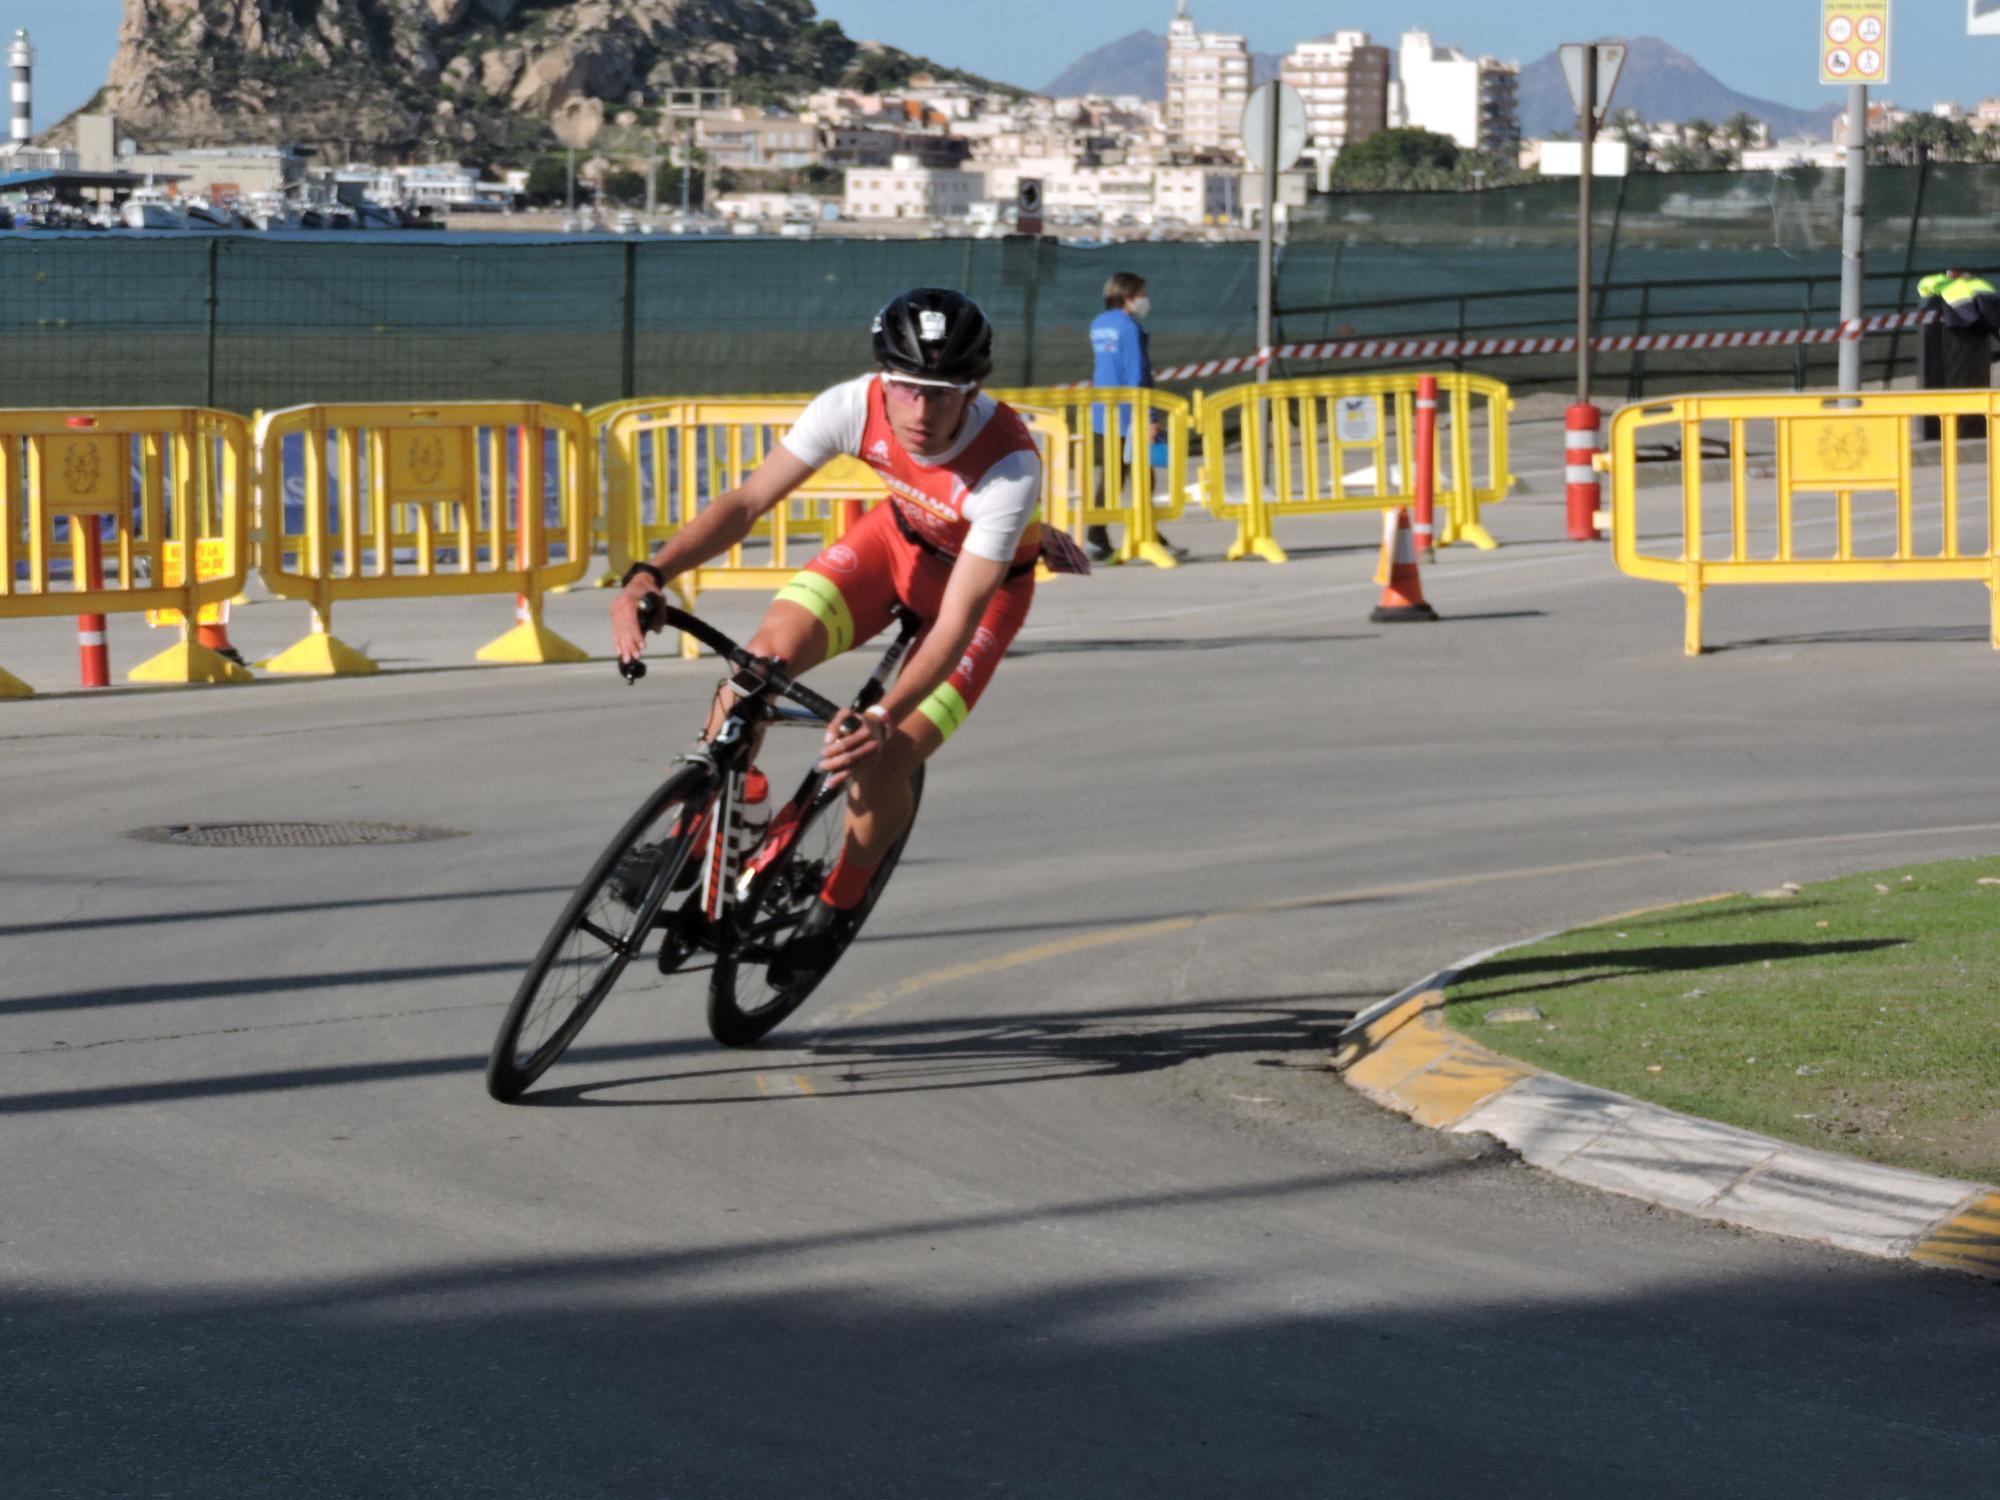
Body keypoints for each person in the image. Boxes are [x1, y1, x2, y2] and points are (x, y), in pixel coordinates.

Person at [611, 288, 1081, 988]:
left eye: (945, 394)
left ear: (974, 387)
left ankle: (840, 899)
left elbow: (953, 622)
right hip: (893, 547)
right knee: (755, 670)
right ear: (884, 377)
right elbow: (746, 503)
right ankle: (704, 832)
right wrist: (650, 572)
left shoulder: (1007, 465)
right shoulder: (851, 405)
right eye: (909, 390)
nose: (922, 412)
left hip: (976, 599)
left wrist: (883, 716)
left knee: (880, 759)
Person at [1087, 271, 1188, 564]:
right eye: (1142, 293)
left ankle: (1099, 537)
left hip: (1102, 411)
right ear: (1128, 295)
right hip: (1129, 414)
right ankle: (1144, 536)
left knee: (1111, 477)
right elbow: (1136, 375)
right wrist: (1149, 416)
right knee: (1142, 477)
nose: (1146, 300)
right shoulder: (1129, 328)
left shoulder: (1099, 324)